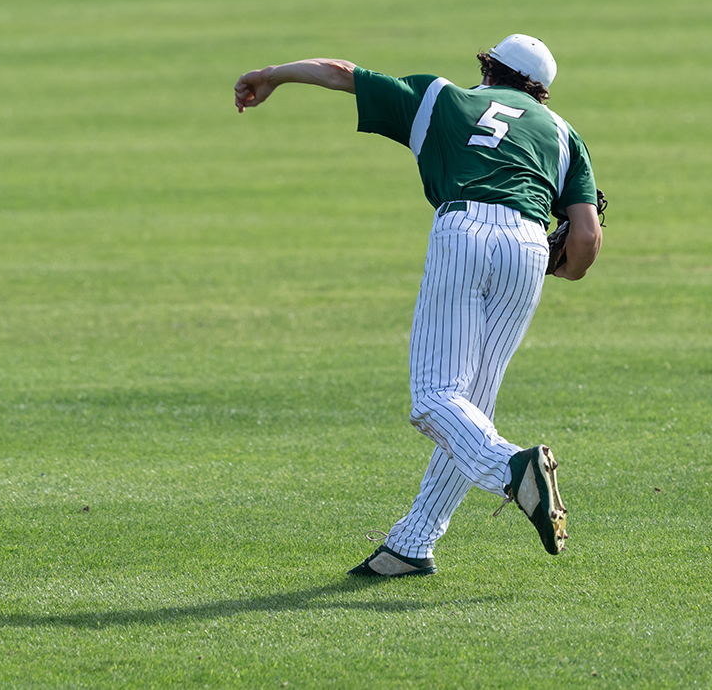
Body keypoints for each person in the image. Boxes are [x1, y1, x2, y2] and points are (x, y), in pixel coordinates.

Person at [233, 34, 601, 577]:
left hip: (463, 232)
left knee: (435, 399)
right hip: (527, 246)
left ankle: (515, 470)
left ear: (488, 68)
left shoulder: (443, 96)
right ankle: (413, 543)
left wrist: (273, 74)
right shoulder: (565, 135)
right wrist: (562, 267)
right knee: (471, 406)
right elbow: (586, 240)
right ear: (541, 92)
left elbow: (342, 70)